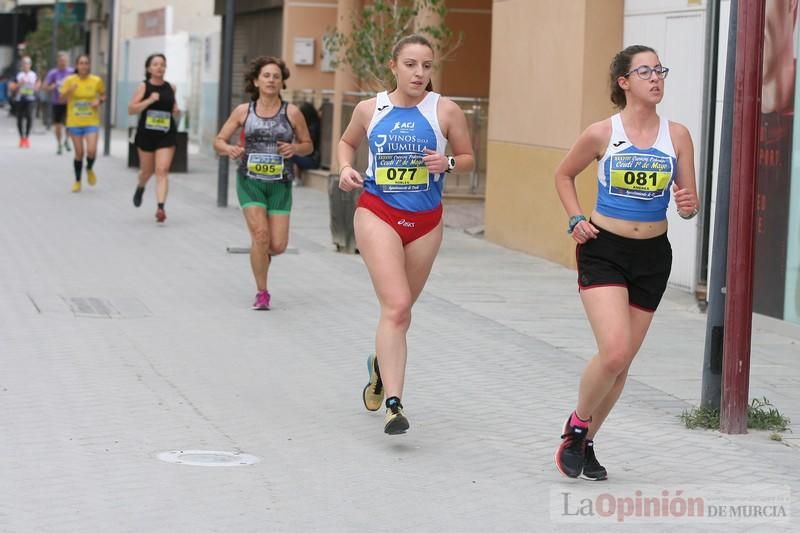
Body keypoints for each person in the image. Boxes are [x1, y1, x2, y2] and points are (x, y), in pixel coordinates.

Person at [553, 45, 700, 480]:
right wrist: (575, 217)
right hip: (605, 250)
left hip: (653, 257)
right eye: (645, 71)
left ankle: (588, 442)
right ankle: (576, 427)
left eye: (660, 70)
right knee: (613, 353)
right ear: (624, 82)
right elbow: (563, 174)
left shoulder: (678, 135)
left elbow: (688, 204)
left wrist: (690, 205)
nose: (656, 78)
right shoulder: (602, 132)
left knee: (623, 364)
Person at [337, 34, 474, 435]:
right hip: (377, 211)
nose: (419, 73)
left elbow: (467, 159)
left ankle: (379, 367)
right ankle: (394, 404)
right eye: (411, 64)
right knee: (396, 307)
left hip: (426, 221)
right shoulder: (370, 108)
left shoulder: (445, 110)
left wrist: (446, 161)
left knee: (401, 313)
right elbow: (347, 143)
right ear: (393, 66)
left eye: (426, 66)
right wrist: (346, 168)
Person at [214, 56, 313, 310]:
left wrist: (294, 148)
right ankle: (262, 292)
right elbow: (219, 140)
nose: (271, 80)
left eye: (276, 77)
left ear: (282, 83)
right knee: (260, 235)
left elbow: (308, 145)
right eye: (266, 76)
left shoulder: (291, 112)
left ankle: (261, 255)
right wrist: (229, 149)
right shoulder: (243, 111)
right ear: (256, 81)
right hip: (250, 181)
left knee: (276, 245)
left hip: (280, 184)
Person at [128, 53, 180, 223]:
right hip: (146, 135)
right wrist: (149, 100)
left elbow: (173, 106)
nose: (159, 67)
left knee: (162, 170)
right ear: (149, 68)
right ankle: (141, 186)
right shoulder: (144, 87)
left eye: (162, 64)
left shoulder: (171, 87)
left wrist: (176, 109)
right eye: (155, 64)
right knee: (146, 171)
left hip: (166, 134)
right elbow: (132, 109)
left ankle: (160, 208)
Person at [60, 54, 105, 193]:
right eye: (81, 63)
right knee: (79, 153)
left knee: (91, 150)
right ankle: (78, 181)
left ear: (89, 65)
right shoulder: (69, 80)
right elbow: (61, 99)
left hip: (91, 121)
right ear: (76, 65)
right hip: (74, 122)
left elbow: (103, 94)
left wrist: (99, 101)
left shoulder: (96, 80)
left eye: (86, 63)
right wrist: (69, 91)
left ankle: (89, 168)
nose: (84, 66)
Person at [43, 51, 74, 155]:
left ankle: (67, 140)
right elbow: (45, 86)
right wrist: (50, 87)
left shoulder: (72, 72)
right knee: (58, 126)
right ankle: (59, 144)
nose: (63, 63)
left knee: (69, 124)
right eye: (61, 61)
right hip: (57, 102)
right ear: (58, 61)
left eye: (65, 61)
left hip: (69, 102)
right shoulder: (53, 73)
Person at [8, 56, 39, 148]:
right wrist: (19, 84)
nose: (26, 65)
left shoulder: (34, 75)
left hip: (30, 99)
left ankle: (27, 138)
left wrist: (35, 87)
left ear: (30, 65)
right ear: (22, 65)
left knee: (29, 117)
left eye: (27, 63)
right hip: (20, 99)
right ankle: (21, 137)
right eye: (24, 63)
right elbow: (11, 87)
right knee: (19, 119)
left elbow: (38, 85)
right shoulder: (18, 75)